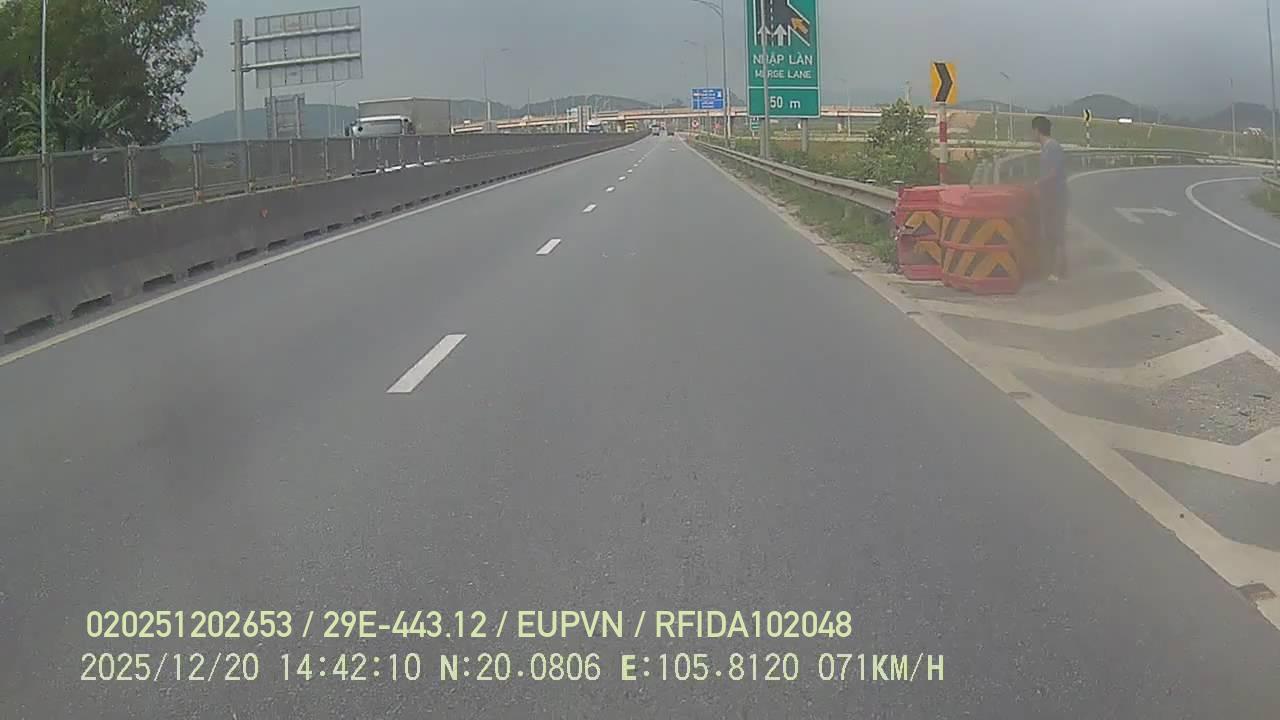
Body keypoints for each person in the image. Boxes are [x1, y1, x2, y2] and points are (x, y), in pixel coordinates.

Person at [1032, 115, 1069, 280]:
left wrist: (1038, 183)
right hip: (1052, 195)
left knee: (1056, 233)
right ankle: (1055, 269)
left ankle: (1058, 271)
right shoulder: (1048, 147)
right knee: (1051, 232)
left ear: (1037, 130)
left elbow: (1053, 173)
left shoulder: (1052, 147)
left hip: (1056, 196)